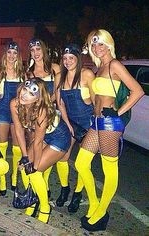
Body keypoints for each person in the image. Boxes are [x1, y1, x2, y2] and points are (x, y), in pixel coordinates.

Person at [75, 29, 144, 231]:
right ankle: (95, 204)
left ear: (109, 44)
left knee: (109, 169)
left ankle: (101, 213)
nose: (97, 48)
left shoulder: (114, 65)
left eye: (100, 44)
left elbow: (137, 91)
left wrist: (118, 112)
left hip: (109, 123)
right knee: (81, 163)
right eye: (93, 44)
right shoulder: (101, 67)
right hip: (96, 122)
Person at [10, 77, 71, 223]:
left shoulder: (41, 110)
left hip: (59, 137)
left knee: (35, 172)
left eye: (31, 93)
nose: (25, 94)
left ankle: (44, 207)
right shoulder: (14, 103)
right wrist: (25, 157)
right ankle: (31, 200)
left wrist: (35, 166)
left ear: (38, 98)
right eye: (25, 89)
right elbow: (18, 130)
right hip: (42, 137)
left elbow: (37, 142)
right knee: (24, 168)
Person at [55, 44, 95, 209]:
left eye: (71, 58)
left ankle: (78, 193)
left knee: (82, 162)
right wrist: (67, 123)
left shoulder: (87, 74)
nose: (67, 61)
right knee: (62, 157)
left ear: (78, 59)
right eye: (64, 58)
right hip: (68, 121)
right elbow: (60, 102)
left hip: (87, 124)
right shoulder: (59, 76)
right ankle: (65, 188)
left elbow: (95, 101)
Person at [26, 38, 60, 196]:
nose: (35, 53)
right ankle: (35, 188)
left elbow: (58, 94)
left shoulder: (55, 68)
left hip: (52, 116)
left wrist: (45, 105)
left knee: (47, 150)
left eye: (38, 49)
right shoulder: (30, 72)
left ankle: (43, 185)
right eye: (32, 50)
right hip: (35, 117)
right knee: (34, 148)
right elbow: (27, 96)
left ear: (44, 50)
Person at [0, 41, 25, 196]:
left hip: (18, 111)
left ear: (18, 55)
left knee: (18, 146)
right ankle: (2, 179)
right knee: (2, 145)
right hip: (3, 110)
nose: (11, 56)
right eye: (9, 52)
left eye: (15, 53)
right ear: (5, 54)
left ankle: (14, 177)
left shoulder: (23, 73)